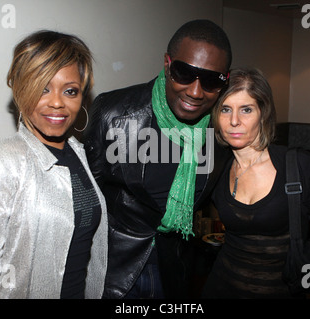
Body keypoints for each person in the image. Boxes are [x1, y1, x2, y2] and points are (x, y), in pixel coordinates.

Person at [83, 19, 233, 298]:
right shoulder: (113, 112)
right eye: (184, 73)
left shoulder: (222, 133)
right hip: (112, 268)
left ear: (225, 79)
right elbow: (83, 201)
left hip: (174, 270)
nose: (195, 92)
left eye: (212, 80)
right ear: (167, 64)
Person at [0, 30, 108, 299]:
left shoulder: (81, 154)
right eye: (43, 89)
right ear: (21, 89)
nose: (57, 102)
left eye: (70, 91)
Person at [201, 67, 310, 299]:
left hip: (282, 290)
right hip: (222, 285)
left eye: (246, 109)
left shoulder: (300, 166)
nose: (234, 121)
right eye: (225, 109)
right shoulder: (216, 169)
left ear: (263, 113)